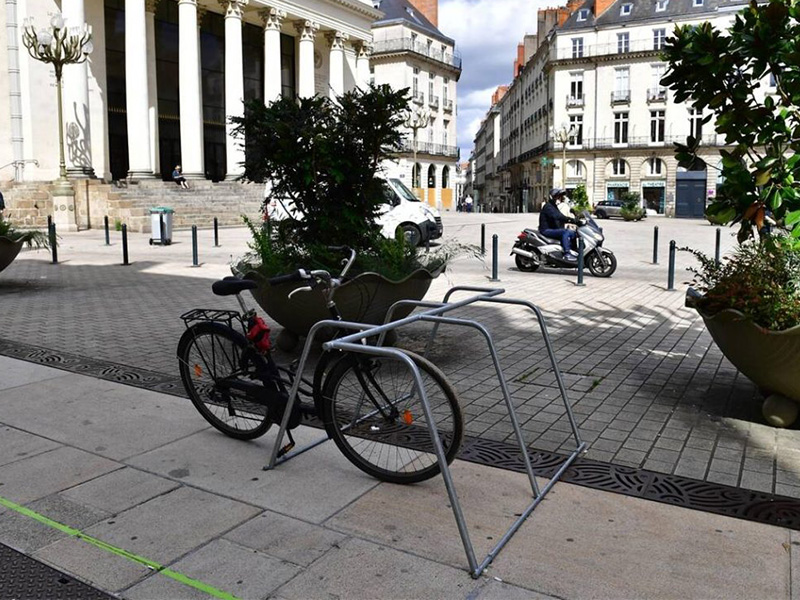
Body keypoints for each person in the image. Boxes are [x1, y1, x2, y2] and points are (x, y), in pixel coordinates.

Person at [539, 188, 578, 261]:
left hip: (553, 229)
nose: (559, 198)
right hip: (546, 230)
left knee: (573, 233)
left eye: (559, 196)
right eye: (557, 196)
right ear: (553, 197)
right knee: (565, 232)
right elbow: (557, 216)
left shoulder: (553, 206)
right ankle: (567, 254)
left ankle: (574, 251)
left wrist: (576, 218)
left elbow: (560, 215)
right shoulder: (548, 206)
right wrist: (570, 220)